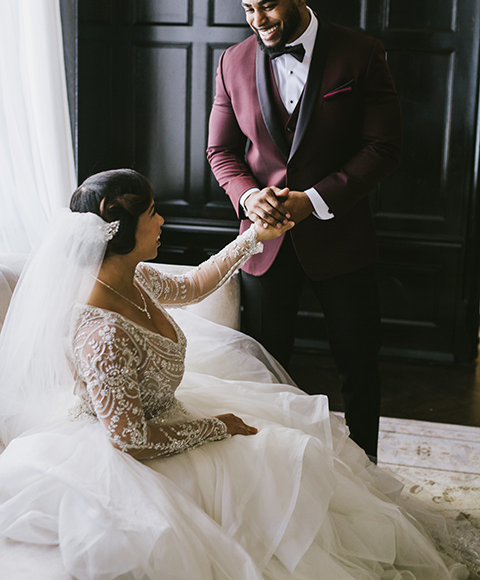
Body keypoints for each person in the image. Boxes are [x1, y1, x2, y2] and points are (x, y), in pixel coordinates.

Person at [0, 169, 472, 580]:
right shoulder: (100, 334)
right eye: (153, 214)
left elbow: (192, 285)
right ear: (121, 231)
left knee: (294, 451)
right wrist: (217, 426)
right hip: (129, 452)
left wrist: (254, 237)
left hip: (165, 413)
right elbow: (130, 440)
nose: (162, 220)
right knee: (276, 465)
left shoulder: (131, 275)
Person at [207, 0, 402, 461]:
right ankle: (279, 480)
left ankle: (368, 476)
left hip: (342, 240)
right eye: (248, 9)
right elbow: (221, 150)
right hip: (264, 247)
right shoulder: (232, 62)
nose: (258, 20)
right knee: (265, 372)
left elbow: (384, 147)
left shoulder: (360, 53)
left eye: (268, 5)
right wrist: (249, 197)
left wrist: (313, 200)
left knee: (358, 366)